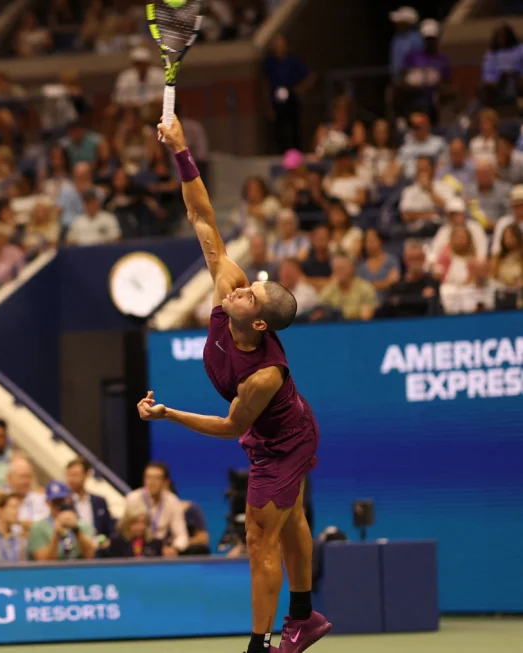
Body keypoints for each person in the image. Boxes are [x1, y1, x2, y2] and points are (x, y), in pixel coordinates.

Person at [139, 119, 330, 653]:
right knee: (289, 519)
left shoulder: (265, 374)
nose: (241, 290)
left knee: (258, 537)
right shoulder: (229, 287)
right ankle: (304, 617)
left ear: (260, 323)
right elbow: (202, 215)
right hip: (276, 433)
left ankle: (259, 644)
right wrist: (180, 151)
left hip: (286, 440)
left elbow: (230, 427)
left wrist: (170, 414)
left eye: (251, 298)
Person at [122, 461, 189, 554]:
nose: (151, 482)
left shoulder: (172, 501)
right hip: (136, 549)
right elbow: (124, 530)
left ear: (166, 482)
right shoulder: (133, 498)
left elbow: (181, 535)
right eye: (148, 477)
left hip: (161, 549)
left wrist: (175, 548)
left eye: (156, 478)